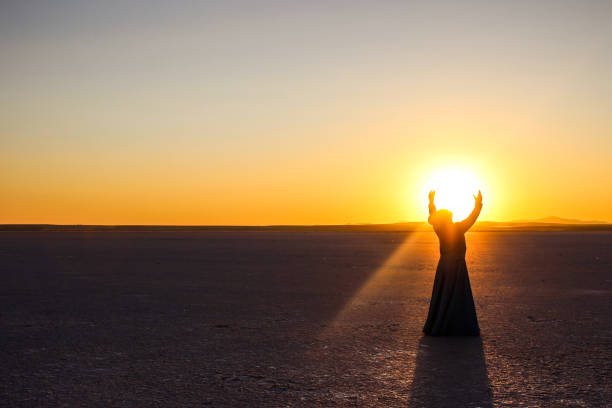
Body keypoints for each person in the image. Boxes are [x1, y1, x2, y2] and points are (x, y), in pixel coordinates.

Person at [423, 190, 483, 336]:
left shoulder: (439, 229)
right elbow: (472, 219)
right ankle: (455, 326)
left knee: (444, 294)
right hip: (456, 266)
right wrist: (478, 205)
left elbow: (433, 215)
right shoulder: (457, 228)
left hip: (444, 265)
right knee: (457, 295)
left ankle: (441, 324)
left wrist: (431, 202)